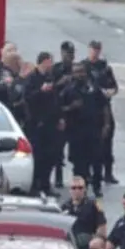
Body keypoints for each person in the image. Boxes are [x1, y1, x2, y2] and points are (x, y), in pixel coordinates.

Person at [61, 62, 111, 197]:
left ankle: (96, 186)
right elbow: (59, 109)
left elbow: (104, 106)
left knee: (97, 160)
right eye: (76, 72)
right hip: (76, 132)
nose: (79, 75)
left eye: (81, 71)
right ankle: (80, 189)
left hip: (94, 130)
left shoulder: (93, 88)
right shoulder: (68, 90)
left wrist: (106, 124)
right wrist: (71, 107)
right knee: (78, 163)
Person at [23, 52, 62, 196]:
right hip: (36, 124)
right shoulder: (32, 79)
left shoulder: (50, 78)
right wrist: (40, 91)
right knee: (37, 156)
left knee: (51, 155)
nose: (50, 65)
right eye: (48, 62)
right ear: (42, 62)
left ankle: (46, 184)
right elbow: (28, 98)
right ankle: (34, 185)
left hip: (50, 124)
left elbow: (56, 100)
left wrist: (60, 118)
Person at [82, 41, 119, 184]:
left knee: (107, 141)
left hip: (104, 107)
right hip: (90, 107)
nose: (95, 53)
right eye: (93, 50)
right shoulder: (83, 67)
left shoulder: (105, 68)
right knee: (90, 143)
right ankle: (89, 173)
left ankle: (108, 173)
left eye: (97, 50)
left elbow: (114, 86)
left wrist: (110, 92)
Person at [61, 176, 107, 249]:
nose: (77, 190)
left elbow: (102, 227)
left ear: (85, 189)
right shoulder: (64, 207)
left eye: (80, 188)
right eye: (74, 188)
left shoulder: (93, 205)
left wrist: (97, 243)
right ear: (70, 190)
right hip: (69, 247)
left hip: (88, 248)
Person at [52, 41, 76, 188]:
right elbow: (51, 88)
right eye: (67, 53)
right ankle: (59, 177)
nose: (69, 56)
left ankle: (78, 178)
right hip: (61, 112)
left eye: (71, 54)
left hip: (75, 115)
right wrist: (61, 82)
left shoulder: (78, 69)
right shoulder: (56, 69)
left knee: (76, 149)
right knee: (58, 148)